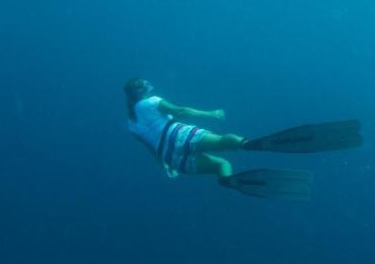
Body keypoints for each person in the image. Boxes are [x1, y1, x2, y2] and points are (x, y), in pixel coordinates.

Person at [124, 77, 362, 201]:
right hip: (177, 135)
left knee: (222, 166)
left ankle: (229, 182)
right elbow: (181, 111)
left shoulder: (131, 124)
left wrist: (165, 165)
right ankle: (249, 144)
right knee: (225, 144)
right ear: (140, 91)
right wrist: (211, 113)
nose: (150, 86)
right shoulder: (151, 102)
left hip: (170, 157)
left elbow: (149, 148)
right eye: (146, 85)